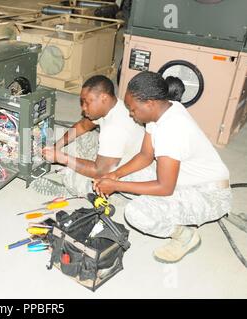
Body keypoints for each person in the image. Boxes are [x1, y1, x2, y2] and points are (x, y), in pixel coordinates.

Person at [94, 71, 232, 263]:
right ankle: (149, 201)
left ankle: (186, 237)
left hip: (209, 194)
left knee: (136, 213)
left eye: (133, 109)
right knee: (121, 174)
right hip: (182, 179)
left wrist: (115, 186)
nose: (130, 113)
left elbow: (165, 187)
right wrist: (115, 176)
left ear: (150, 103)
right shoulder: (161, 111)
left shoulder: (172, 130)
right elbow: (145, 156)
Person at [39, 75, 145, 196]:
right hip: (115, 154)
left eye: (86, 102)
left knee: (79, 182)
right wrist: (56, 146)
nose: (83, 108)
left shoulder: (114, 129)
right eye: (82, 102)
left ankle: (69, 180)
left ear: (103, 98)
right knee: (79, 138)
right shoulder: (114, 105)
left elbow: (99, 172)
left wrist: (62, 158)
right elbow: (82, 126)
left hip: (126, 172)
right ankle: (71, 165)